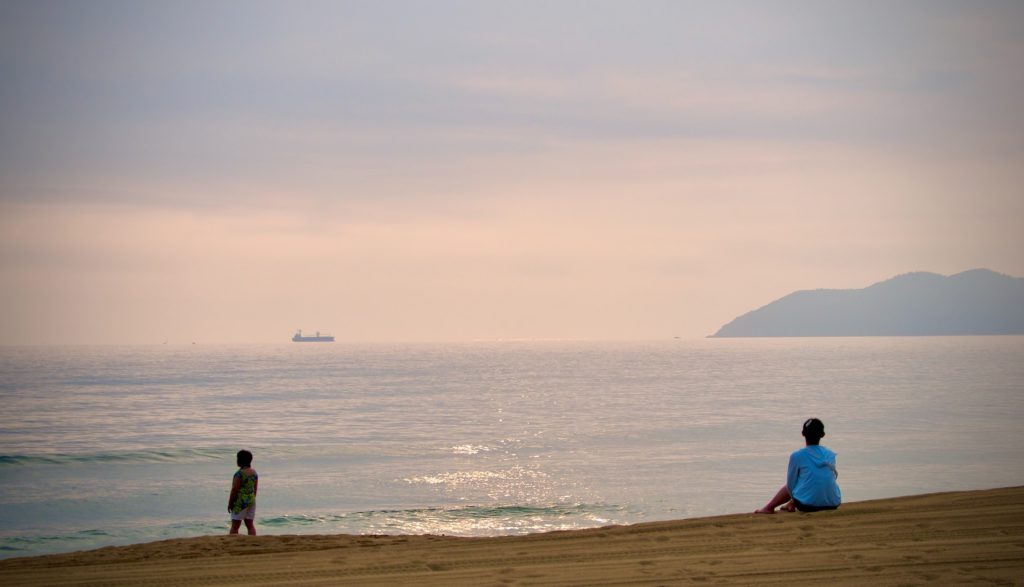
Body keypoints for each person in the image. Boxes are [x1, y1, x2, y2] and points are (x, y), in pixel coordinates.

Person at [756, 418, 841, 514]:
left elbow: (790, 485)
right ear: (822, 435)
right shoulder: (830, 454)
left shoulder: (797, 455)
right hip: (833, 503)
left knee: (794, 484)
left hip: (808, 505)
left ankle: (768, 508)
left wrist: (794, 500)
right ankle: (791, 503)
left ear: (803, 434)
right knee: (815, 480)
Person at [228, 449, 259, 535]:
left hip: (240, 502)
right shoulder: (254, 473)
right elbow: (255, 489)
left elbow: (234, 490)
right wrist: (251, 499)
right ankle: (252, 540)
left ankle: (232, 542)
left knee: (235, 526)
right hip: (251, 500)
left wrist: (230, 503)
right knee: (250, 525)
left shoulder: (239, 474)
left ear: (240, 461)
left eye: (237, 458)